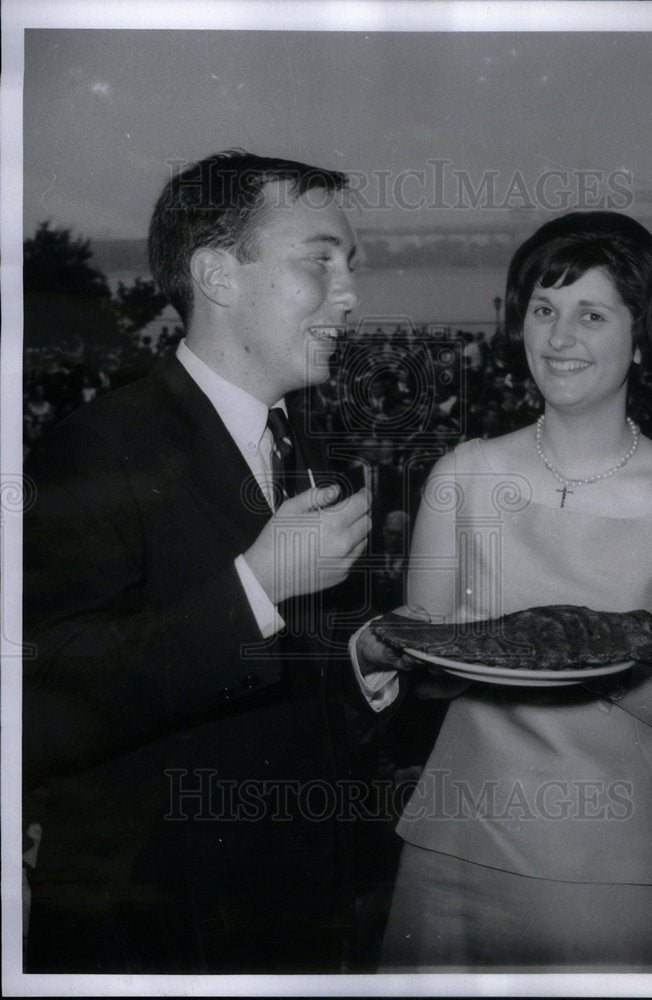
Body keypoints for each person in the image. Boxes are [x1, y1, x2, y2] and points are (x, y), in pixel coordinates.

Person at [352, 211, 652, 973]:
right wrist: (378, 647)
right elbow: (423, 646)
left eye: (591, 315)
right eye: (544, 311)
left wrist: (605, 671)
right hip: (454, 850)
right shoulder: (462, 476)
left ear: (641, 336)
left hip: (616, 871)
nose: (559, 338)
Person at [23, 150, 371, 974]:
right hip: (155, 922)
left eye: (350, 266)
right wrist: (259, 586)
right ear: (216, 274)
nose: (351, 293)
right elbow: (50, 701)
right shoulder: (98, 444)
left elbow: (296, 686)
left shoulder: (313, 442)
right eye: (319, 260)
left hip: (288, 908)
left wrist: (367, 666)